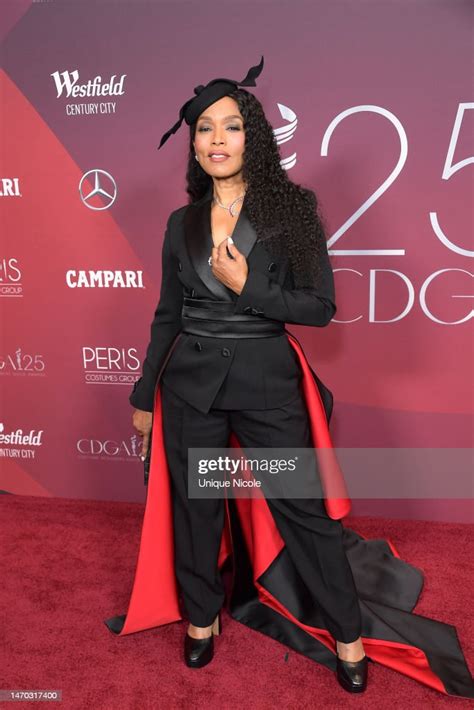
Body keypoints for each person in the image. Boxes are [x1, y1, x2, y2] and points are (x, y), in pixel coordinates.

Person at [104, 57, 474, 700]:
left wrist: (254, 289)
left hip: (267, 389)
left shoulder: (292, 210)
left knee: (304, 514)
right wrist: (143, 397)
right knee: (195, 511)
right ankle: (201, 618)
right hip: (188, 387)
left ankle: (347, 633)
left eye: (230, 128)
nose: (216, 141)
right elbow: (166, 316)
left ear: (254, 136)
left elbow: (319, 309)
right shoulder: (179, 223)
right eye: (203, 130)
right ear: (192, 143)